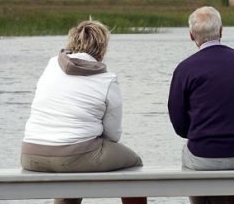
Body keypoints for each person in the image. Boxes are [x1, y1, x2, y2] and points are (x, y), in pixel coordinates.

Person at [21, 20, 146, 204]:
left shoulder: (52, 64)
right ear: (102, 48)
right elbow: (113, 135)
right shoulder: (107, 79)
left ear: (71, 42)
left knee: (75, 160)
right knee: (134, 163)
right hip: (73, 157)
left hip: (30, 154)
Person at [168, 6, 234, 204]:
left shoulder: (185, 69)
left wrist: (202, 133)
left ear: (191, 35)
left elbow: (179, 124)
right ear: (221, 31)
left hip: (205, 155)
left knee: (190, 156)